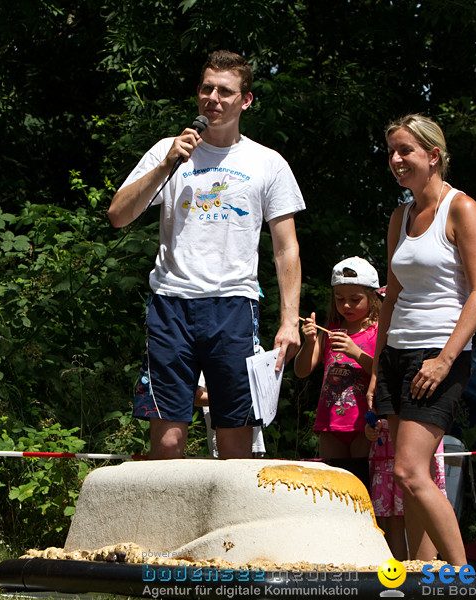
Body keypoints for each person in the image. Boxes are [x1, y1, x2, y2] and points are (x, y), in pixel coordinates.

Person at [107, 50, 305, 459]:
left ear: (245, 100)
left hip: (233, 306)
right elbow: (118, 215)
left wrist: (289, 321)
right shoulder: (168, 150)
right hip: (170, 305)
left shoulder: (268, 162)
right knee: (168, 441)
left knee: (235, 440)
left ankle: (232, 524)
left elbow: (286, 248)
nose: (212, 98)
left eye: (225, 91)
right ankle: (168, 524)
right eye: (206, 88)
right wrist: (166, 164)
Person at [366, 113, 476, 565]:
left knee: (410, 470)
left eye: (406, 151)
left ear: (433, 155)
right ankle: (424, 574)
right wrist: (378, 365)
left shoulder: (461, 208)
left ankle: (465, 579)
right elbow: (392, 294)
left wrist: (444, 358)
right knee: (407, 480)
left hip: (438, 354)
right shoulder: (400, 216)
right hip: (398, 352)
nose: (396, 160)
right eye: (391, 153)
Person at [294, 256, 380, 461]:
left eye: (355, 299)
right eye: (340, 299)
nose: (346, 305)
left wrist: (355, 352)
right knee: (333, 486)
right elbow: (301, 371)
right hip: (330, 422)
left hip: (364, 423)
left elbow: (383, 372)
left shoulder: (379, 330)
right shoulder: (330, 329)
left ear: (372, 297)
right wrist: (310, 341)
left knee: (360, 481)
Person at [366, 415, 447, 560]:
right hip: (386, 439)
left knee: (424, 510)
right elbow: (375, 407)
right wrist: (372, 424)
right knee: (392, 517)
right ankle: (397, 576)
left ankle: (428, 572)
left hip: (421, 430)